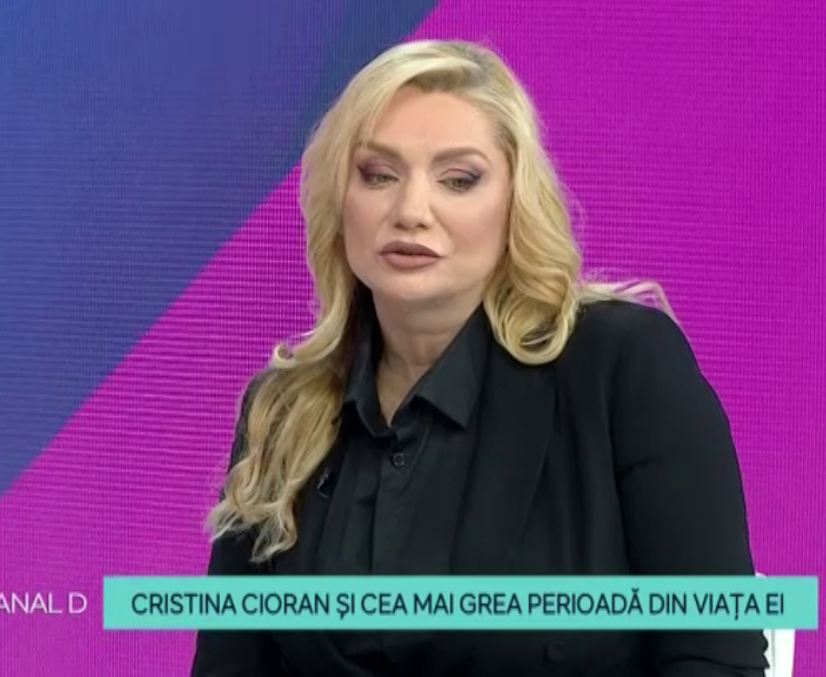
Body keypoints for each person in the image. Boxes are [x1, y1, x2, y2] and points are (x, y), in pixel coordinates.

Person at [192, 39, 768, 677]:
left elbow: (718, 658)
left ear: (514, 203)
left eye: (458, 180)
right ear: (339, 200)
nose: (411, 212)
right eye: (378, 175)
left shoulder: (623, 366)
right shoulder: (282, 410)